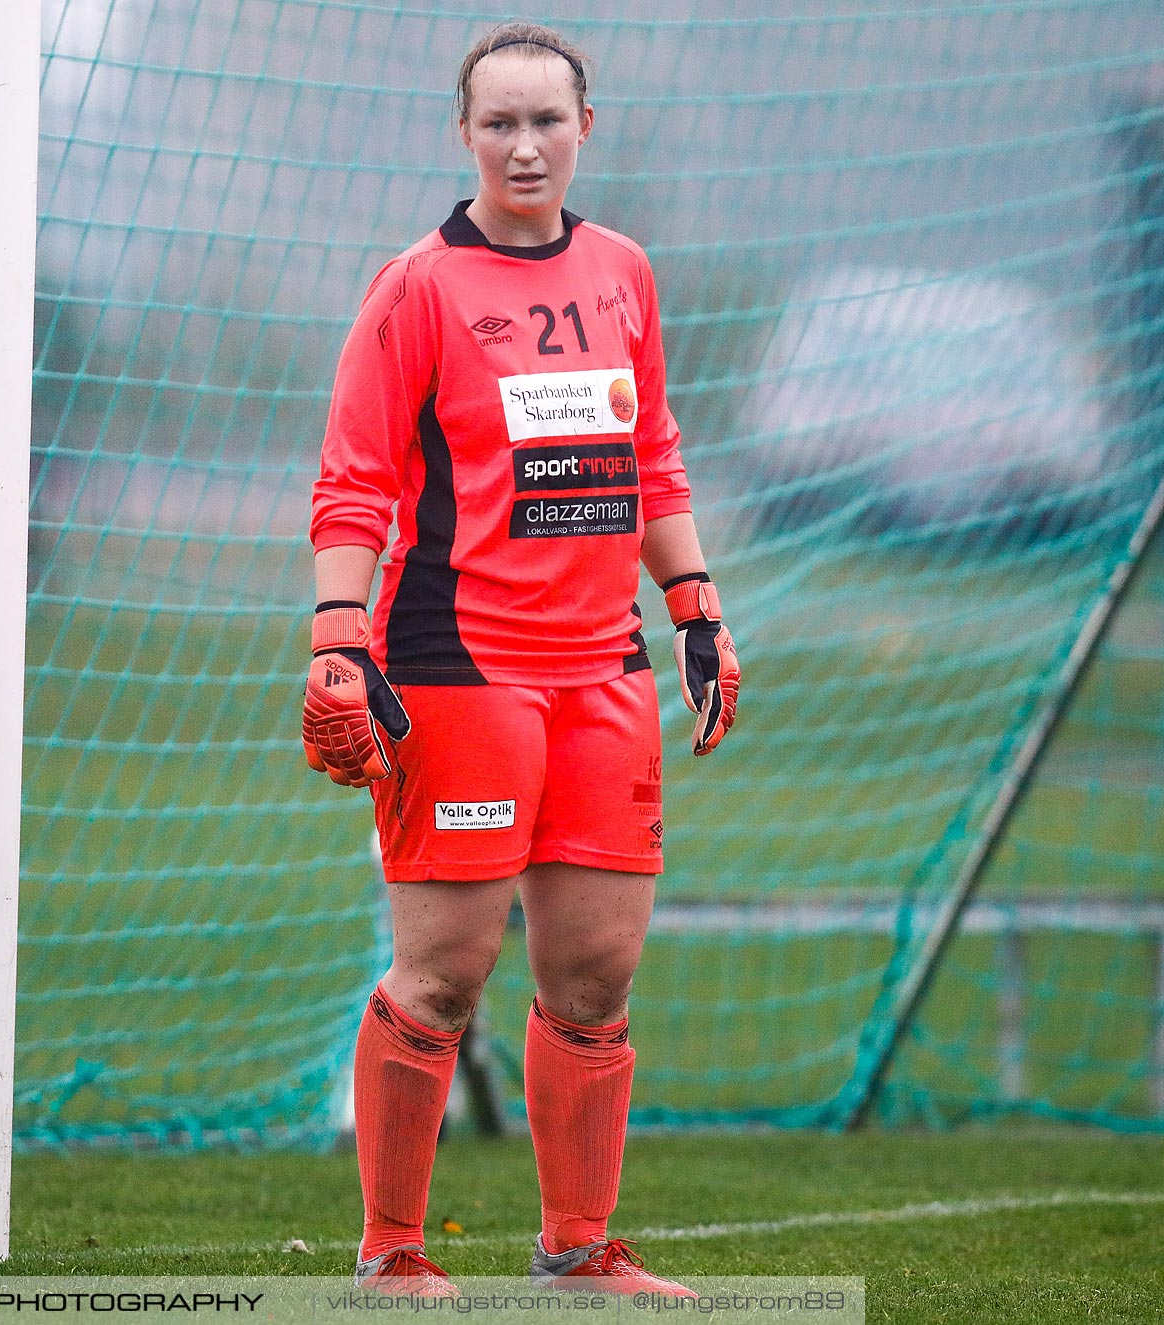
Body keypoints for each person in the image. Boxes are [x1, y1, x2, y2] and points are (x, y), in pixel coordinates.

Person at [302, 22, 740, 1299]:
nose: (525, 143)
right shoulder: (417, 286)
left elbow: (650, 451)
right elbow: (355, 483)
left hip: (604, 668)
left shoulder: (623, 272)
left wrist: (695, 605)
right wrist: (340, 636)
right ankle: (390, 1251)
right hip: (457, 662)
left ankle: (577, 1246)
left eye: (547, 119)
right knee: (445, 971)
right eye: (500, 122)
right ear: (465, 134)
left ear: (584, 128)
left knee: (596, 973)